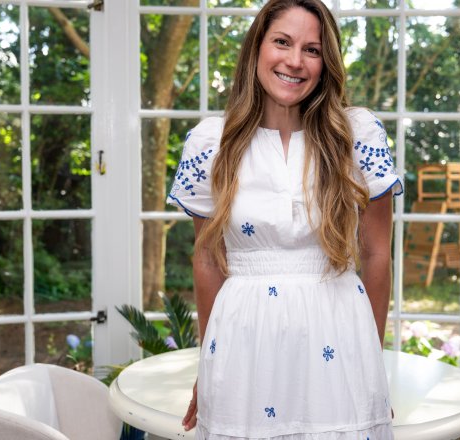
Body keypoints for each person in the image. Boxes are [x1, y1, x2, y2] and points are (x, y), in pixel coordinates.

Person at [167, 0, 403, 437]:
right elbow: (208, 261)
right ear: (257, 48)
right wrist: (208, 363)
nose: (295, 61)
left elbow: (375, 255)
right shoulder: (209, 144)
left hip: (339, 334)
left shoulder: (357, 136)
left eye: (312, 49)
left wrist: (370, 359)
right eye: (282, 42)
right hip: (242, 343)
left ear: (326, 62)